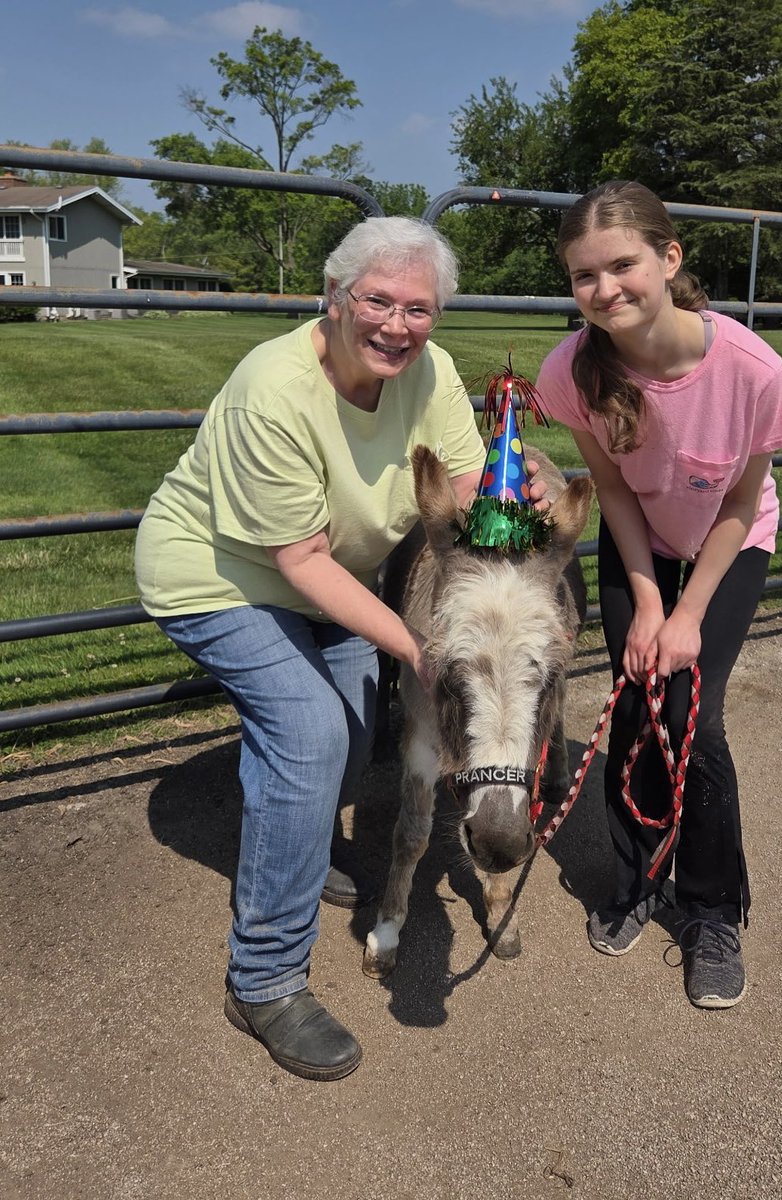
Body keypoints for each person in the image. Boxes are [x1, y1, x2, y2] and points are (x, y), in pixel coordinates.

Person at [135, 217, 528, 1080]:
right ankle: (264, 979)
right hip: (222, 578)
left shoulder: (430, 371)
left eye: (417, 307)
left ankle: (297, 847)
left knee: (353, 740)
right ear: (334, 296)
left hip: (331, 577)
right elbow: (298, 560)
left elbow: (464, 486)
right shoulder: (272, 388)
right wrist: (424, 649)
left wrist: (510, 490)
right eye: (376, 299)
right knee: (311, 735)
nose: (397, 323)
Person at [536, 181, 782, 1009]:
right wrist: (649, 604)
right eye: (585, 276)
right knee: (643, 704)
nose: (605, 290)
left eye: (623, 265)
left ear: (669, 257)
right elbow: (613, 491)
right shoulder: (571, 369)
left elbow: (737, 503)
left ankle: (713, 907)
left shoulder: (752, 369)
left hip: (728, 540)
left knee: (695, 717)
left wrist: (689, 614)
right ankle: (640, 874)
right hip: (642, 538)